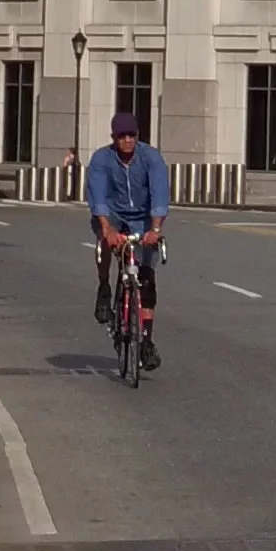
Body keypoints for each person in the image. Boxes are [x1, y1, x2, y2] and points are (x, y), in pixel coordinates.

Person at [85, 113, 172, 372]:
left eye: (131, 136)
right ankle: (104, 289)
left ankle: (145, 341)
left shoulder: (151, 157)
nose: (127, 140)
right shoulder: (102, 159)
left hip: (143, 219)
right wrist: (107, 229)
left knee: (146, 277)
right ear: (113, 138)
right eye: (121, 136)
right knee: (105, 243)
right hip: (113, 214)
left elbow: (159, 194)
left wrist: (155, 229)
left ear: (137, 136)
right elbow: (97, 196)